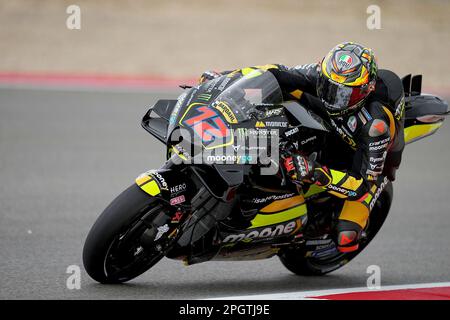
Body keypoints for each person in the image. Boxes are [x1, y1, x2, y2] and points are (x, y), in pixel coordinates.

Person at [198, 42, 405, 253]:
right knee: (284, 90)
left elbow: (361, 184)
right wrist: (225, 79)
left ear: (364, 91)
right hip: (329, 126)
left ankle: (305, 229)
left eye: (343, 94)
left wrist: (315, 172)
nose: (332, 97)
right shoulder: (321, 75)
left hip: (364, 162)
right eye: (328, 86)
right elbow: (273, 73)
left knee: (346, 239)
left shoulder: (375, 126)